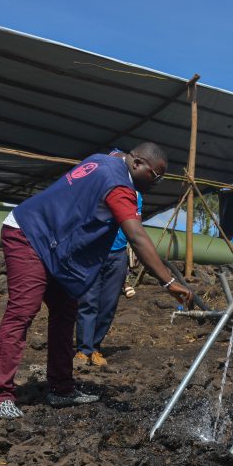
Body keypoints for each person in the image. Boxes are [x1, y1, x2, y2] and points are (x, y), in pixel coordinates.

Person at [0, 143, 192, 419]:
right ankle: (2, 396)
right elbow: (137, 237)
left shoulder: (105, 160)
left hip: (55, 243)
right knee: (22, 311)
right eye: (156, 176)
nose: (156, 184)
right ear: (137, 164)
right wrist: (169, 282)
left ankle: (61, 389)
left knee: (65, 311)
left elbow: (113, 158)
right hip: (29, 234)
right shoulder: (120, 187)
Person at [74, 149, 143, 367]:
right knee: (88, 301)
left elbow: (136, 225)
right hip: (93, 252)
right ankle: (83, 350)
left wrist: (136, 251)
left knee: (109, 303)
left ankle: (95, 346)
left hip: (118, 253)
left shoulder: (135, 194)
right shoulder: (96, 187)